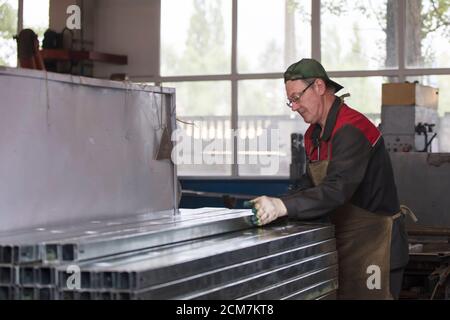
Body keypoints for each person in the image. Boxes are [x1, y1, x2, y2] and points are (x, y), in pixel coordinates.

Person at [250, 58, 410, 300]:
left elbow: (336, 190)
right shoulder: (314, 135)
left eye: (297, 97)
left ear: (319, 87)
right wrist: (275, 206)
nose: (293, 107)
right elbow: (309, 185)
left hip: (376, 245)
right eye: (290, 100)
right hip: (346, 242)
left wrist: (283, 206)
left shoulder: (351, 129)